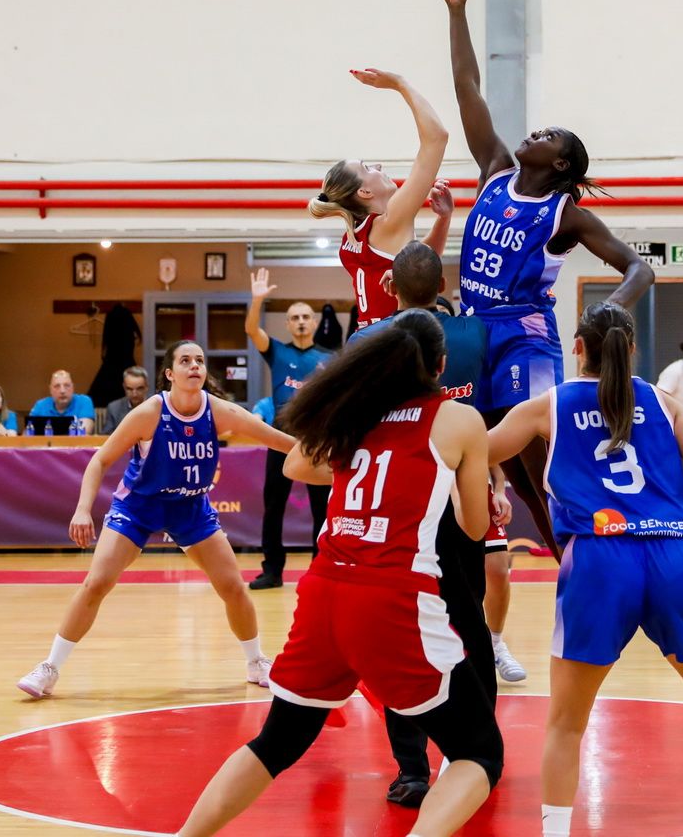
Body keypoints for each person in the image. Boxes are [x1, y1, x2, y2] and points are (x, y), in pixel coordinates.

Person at [177, 311, 502, 837]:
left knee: (275, 743)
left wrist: (356, 462)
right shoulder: (459, 419)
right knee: (479, 753)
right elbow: (474, 527)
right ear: (441, 365)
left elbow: (295, 464)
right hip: (392, 599)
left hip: (324, 592)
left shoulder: (357, 413)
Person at [488, 302, 683, 837]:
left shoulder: (550, 404)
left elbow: (471, 450)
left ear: (577, 348)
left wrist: (491, 485)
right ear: (632, 348)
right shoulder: (663, 402)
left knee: (566, 725)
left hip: (599, 558)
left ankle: (555, 833)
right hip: (675, 554)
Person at [427, 0, 655, 557]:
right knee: (493, 464)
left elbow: (640, 269)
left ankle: (586, 558)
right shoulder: (495, 171)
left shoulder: (565, 214)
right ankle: (550, 562)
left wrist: (607, 311)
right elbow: (467, 87)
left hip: (524, 336)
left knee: (540, 465)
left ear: (560, 164)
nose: (535, 133)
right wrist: (456, 11)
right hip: (473, 330)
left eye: (549, 135)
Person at [15, 341, 295, 700]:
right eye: (185, 360)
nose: (194, 366)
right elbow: (100, 460)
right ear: (170, 374)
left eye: (199, 360)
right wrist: (83, 509)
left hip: (190, 506)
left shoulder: (220, 411)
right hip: (140, 506)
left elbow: (279, 441)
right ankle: (49, 668)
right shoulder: (149, 412)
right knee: (97, 582)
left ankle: (256, 661)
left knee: (233, 587)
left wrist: (328, 452)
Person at [358, 241, 517, 807]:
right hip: (456, 494)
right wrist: (497, 483)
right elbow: (491, 417)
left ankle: (411, 770)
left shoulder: (368, 340)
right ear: (443, 287)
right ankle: (482, 750)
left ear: (389, 287)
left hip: (397, 507)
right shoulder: (474, 334)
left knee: (399, 635)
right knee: (469, 624)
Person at [310, 68, 456, 326]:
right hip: (390, 339)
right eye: (367, 168)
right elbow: (436, 139)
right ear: (364, 192)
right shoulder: (388, 222)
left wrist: (443, 219)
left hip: (371, 339)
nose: (378, 166)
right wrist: (400, 83)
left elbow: (421, 261)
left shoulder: (353, 239)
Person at [244, 269, 332, 590]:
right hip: (280, 434)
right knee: (274, 505)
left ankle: (321, 568)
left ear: (314, 323)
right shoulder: (277, 351)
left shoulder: (330, 358)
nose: (301, 322)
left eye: (306, 317)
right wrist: (257, 300)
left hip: (316, 436)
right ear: (287, 324)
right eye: (295, 317)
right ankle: (272, 570)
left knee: (321, 508)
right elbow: (251, 330)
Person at [27, 370, 95, 435]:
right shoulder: (40, 405)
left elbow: (84, 432)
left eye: (67, 385)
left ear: (73, 388)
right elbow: (27, 433)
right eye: (57, 386)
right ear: (50, 390)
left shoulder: (84, 401)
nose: (62, 391)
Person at [99, 366, 149, 435]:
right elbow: (106, 435)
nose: (134, 394)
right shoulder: (114, 408)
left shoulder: (157, 405)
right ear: (124, 387)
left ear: (147, 387)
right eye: (129, 389)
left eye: (139, 388)